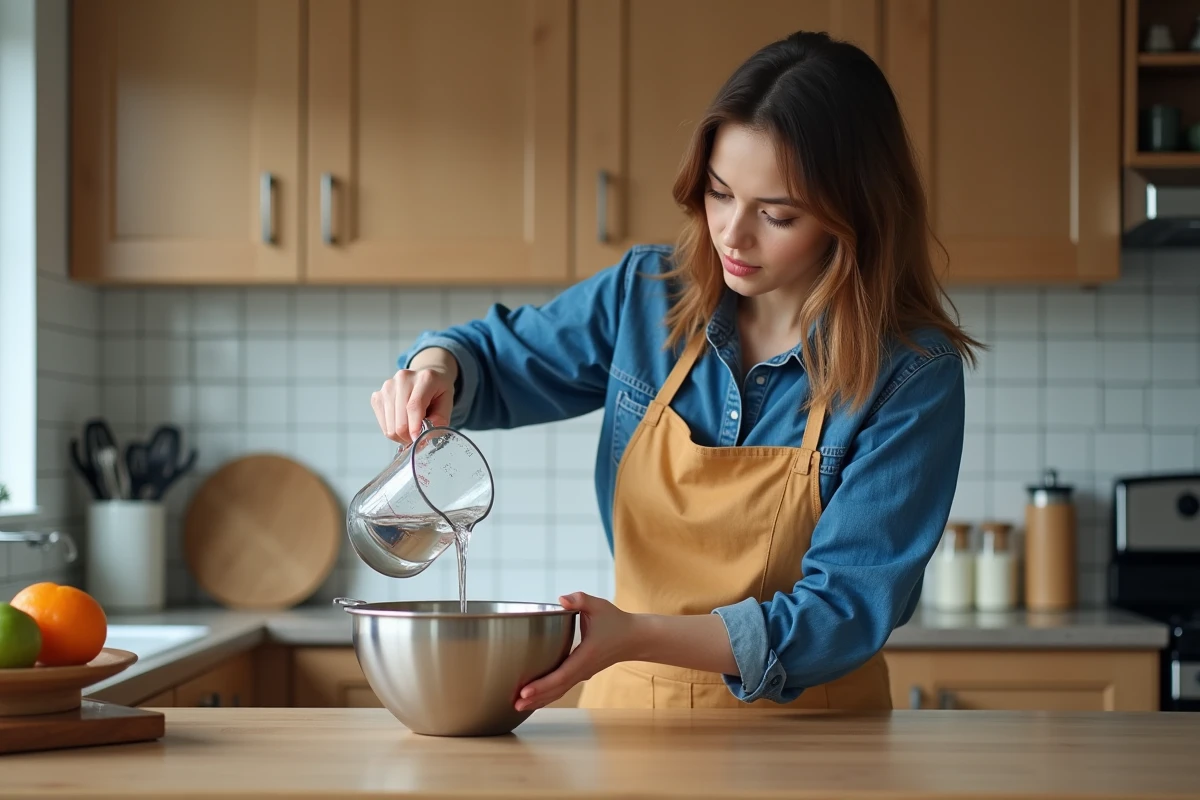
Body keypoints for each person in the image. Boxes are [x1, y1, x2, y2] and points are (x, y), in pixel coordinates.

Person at [373, 30, 981, 712]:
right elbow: (490, 358)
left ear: (856, 218)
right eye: (719, 194)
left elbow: (844, 611)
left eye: (776, 214)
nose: (733, 234)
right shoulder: (646, 295)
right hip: (632, 722)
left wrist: (635, 636)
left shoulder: (911, 373)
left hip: (815, 742)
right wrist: (436, 367)